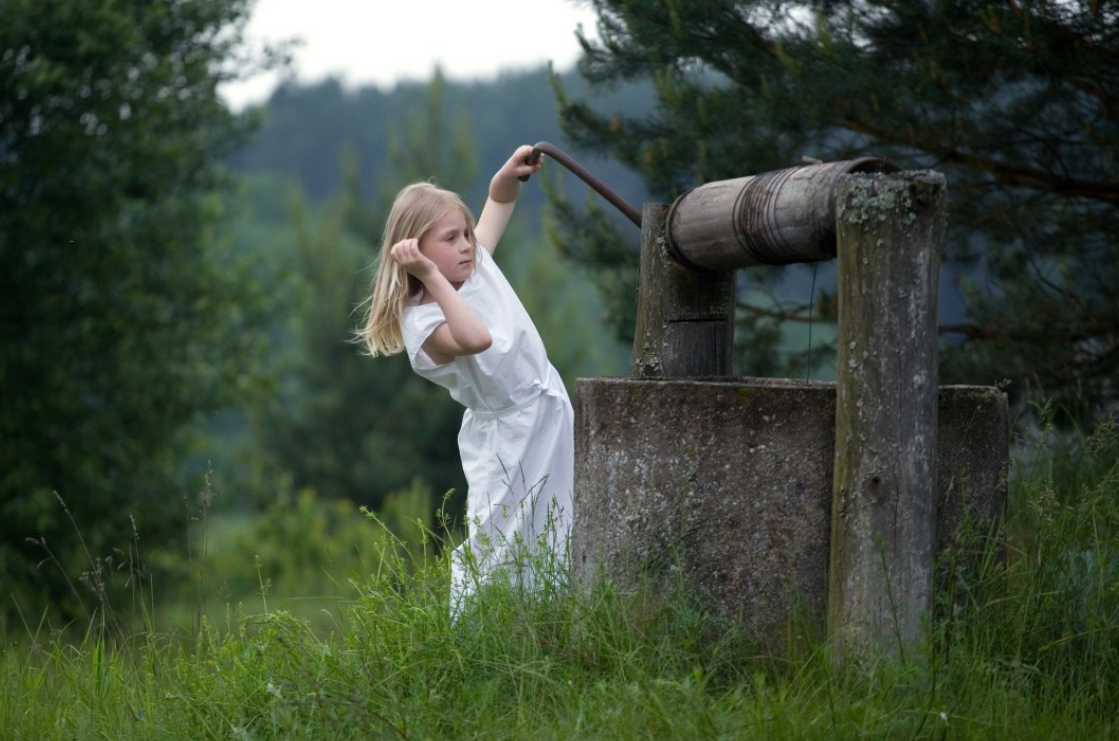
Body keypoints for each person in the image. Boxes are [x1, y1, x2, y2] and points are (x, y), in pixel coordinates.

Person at [358, 145, 573, 614]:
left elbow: (498, 205)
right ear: (416, 252)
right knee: (498, 540)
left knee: (556, 528)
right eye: (451, 238)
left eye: (466, 235)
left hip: (547, 416)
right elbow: (476, 338)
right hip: (508, 437)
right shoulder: (424, 322)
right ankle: (473, 631)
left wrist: (506, 177)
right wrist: (432, 278)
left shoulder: (472, 267)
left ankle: (549, 623)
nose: (466, 245)